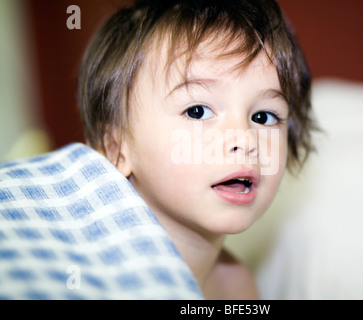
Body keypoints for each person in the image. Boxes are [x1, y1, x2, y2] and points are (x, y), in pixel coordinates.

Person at [0, 0, 314, 300]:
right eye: (197, 111)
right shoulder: (90, 265)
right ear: (116, 147)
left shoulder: (235, 285)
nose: (245, 139)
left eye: (263, 117)